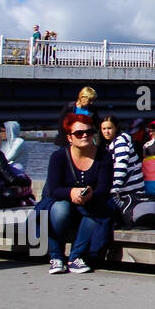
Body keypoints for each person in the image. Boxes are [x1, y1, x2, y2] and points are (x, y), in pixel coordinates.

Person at [43, 113, 116, 274]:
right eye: (79, 133)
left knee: (97, 211)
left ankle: (76, 257)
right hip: (63, 201)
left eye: (89, 132)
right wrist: (71, 192)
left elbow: (104, 188)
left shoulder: (104, 156)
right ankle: (56, 257)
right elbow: (54, 189)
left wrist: (90, 194)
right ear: (70, 138)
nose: (85, 136)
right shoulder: (58, 157)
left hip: (91, 202)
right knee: (59, 209)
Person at [100, 115, 146, 211]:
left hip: (131, 190)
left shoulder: (120, 142)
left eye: (109, 128)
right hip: (128, 188)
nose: (106, 131)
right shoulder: (114, 142)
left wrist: (114, 188)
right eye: (103, 128)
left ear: (116, 128)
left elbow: (121, 167)